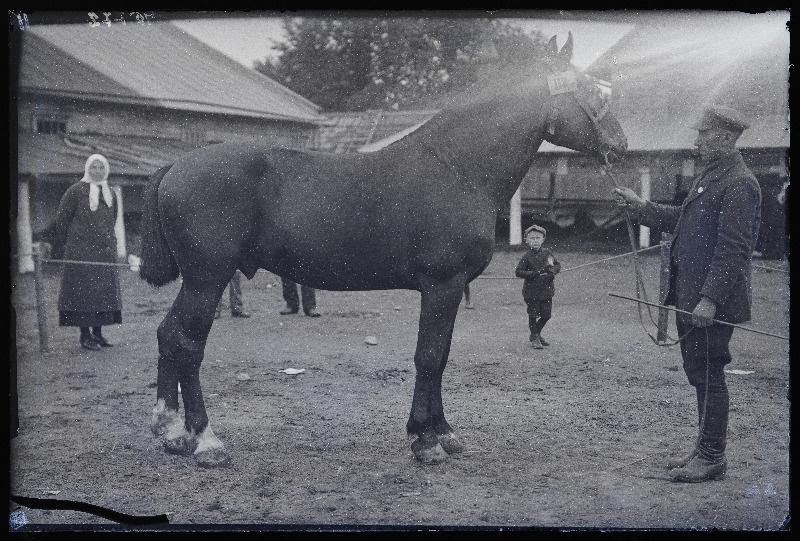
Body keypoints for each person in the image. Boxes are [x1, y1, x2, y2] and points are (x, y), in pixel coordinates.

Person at [613, 104, 761, 483]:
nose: (697, 142)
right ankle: (704, 449)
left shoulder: (739, 182)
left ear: (725, 138)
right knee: (699, 372)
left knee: (710, 373)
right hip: (691, 297)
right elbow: (684, 220)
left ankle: (712, 456)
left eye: (704, 135)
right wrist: (641, 207)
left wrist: (710, 300)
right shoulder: (711, 176)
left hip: (710, 302)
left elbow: (734, 248)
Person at [55, 154, 123, 351]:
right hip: (81, 253)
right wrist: (75, 244)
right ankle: (85, 335)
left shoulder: (110, 192)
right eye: (93, 167)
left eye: (101, 168)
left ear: (106, 170)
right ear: (87, 169)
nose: (97, 171)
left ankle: (98, 334)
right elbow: (62, 222)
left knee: (102, 293)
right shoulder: (75, 191)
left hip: (104, 253)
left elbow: (114, 219)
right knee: (83, 295)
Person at [515, 224, 561, 349]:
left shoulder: (547, 253)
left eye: (538, 238)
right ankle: (535, 337)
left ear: (543, 239)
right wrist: (532, 274)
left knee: (546, 315)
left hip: (546, 290)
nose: (535, 241)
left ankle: (535, 333)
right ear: (527, 240)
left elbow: (556, 265)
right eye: (532, 238)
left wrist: (552, 272)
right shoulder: (526, 256)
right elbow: (518, 272)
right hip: (531, 292)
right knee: (533, 315)